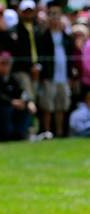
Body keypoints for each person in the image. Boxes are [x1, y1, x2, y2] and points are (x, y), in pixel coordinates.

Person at [37, 1, 74, 137]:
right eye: (51, 14)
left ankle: (59, 132)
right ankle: (47, 132)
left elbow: (71, 58)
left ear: (61, 15)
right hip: (49, 76)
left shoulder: (66, 37)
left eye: (56, 14)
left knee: (61, 106)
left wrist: (71, 75)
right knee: (47, 106)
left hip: (63, 76)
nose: (54, 17)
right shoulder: (42, 36)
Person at [0, 51, 33, 141]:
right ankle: (8, 136)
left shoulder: (12, 78)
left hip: (12, 105)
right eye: (3, 63)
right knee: (7, 110)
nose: (5, 66)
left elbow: (21, 92)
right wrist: (12, 102)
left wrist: (28, 102)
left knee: (26, 108)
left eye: (7, 64)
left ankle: (20, 134)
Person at [13, 0, 40, 104]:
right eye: (25, 11)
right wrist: (30, 67)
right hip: (22, 70)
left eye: (30, 11)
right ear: (20, 12)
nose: (28, 14)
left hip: (37, 69)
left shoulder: (38, 29)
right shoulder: (15, 30)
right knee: (29, 99)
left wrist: (38, 66)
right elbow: (17, 52)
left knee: (35, 97)